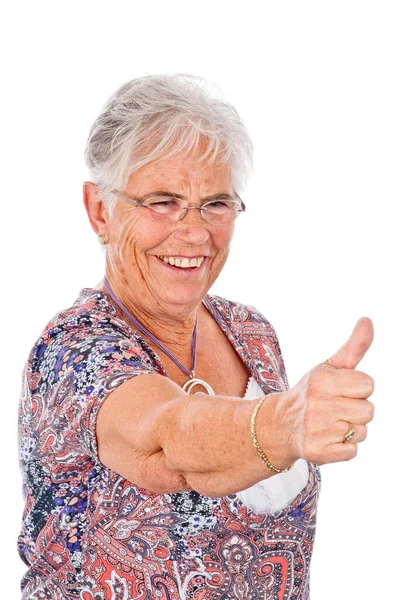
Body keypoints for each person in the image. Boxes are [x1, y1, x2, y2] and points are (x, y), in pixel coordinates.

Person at [18, 74, 375, 599]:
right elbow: (169, 437)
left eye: (215, 204)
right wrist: (286, 423)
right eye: (162, 201)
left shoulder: (251, 333)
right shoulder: (74, 351)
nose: (194, 231)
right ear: (100, 210)